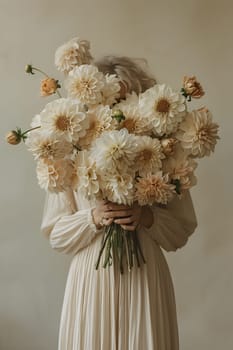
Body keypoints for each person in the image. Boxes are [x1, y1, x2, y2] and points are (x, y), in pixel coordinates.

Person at [41, 56, 198, 350]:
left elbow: (181, 230)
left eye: (126, 102)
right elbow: (56, 235)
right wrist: (93, 217)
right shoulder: (70, 154)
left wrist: (147, 217)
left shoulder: (164, 153)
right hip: (91, 278)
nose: (117, 114)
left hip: (145, 276)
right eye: (110, 103)